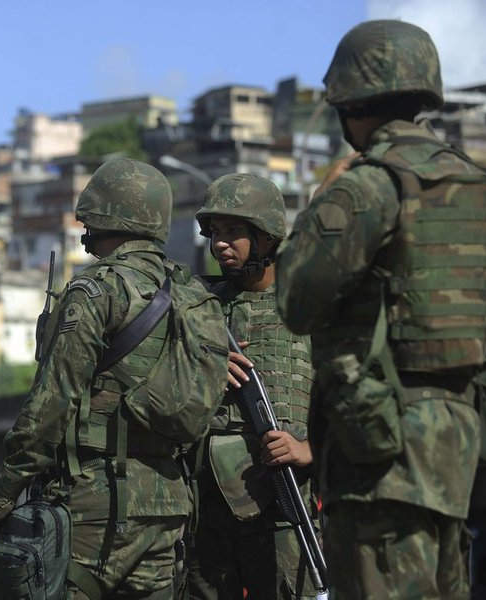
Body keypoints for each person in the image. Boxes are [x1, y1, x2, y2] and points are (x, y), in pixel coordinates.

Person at [275, 20, 486, 599]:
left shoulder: (369, 186)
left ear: (350, 102)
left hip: (379, 451)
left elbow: (294, 300)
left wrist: (323, 200)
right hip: (458, 448)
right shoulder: (480, 191)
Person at [0, 157, 227, 599]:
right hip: (169, 506)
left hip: (95, 504)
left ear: (107, 216)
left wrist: (1, 498)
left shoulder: (95, 291)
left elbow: (51, 404)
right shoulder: (195, 298)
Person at [185, 173, 320, 599]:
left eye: (235, 232)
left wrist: (310, 448)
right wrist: (200, 362)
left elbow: (357, 398)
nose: (220, 243)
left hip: (284, 503)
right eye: (214, 233)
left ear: (266, 237)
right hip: (205, 506)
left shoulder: (311, 308)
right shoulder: (196, 307)